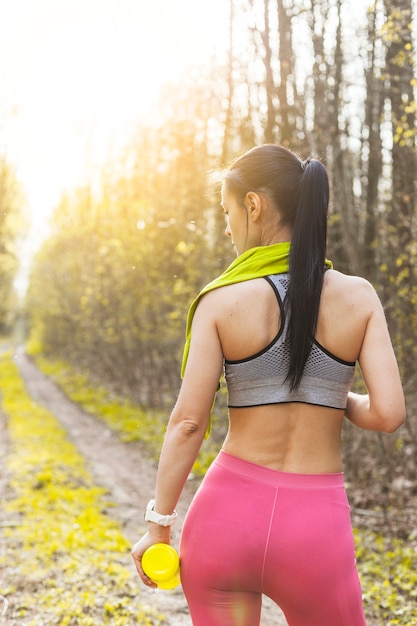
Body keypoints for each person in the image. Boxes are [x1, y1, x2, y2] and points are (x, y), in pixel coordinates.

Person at [131, 144, 406, 626]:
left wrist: (158, 526)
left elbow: (189, 423)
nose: (228, 226)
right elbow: (388, 415)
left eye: (227, 212)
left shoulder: (220, 302)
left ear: (253, 206)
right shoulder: (358, 297)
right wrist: (330, 396)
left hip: (225, 521)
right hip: (315, 533)